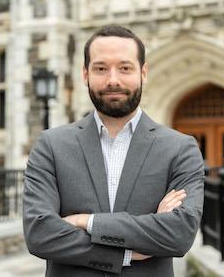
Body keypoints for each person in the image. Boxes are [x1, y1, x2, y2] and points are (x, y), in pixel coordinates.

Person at [23, 25, 204, 277]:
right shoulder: (51, 145)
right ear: (85, 74)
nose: (113, 80)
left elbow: (179, 234)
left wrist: (86, 221)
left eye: (125, 68)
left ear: (143, 73)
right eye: (100, 68)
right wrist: (126, 253)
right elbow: (39, 234)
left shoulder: (181, 148)